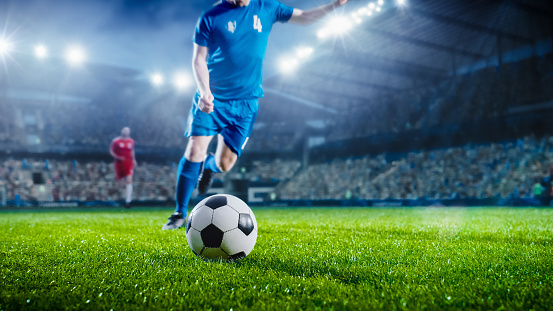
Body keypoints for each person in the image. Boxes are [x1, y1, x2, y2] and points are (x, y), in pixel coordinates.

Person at [162, 0, 350, 229]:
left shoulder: (267, 8)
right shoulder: (210, 17)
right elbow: (198, 58)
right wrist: (204, 91)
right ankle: (179, 213)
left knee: (225, 164)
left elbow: (305, 17)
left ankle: (210, 166)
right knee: (194, 150)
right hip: (212, 99)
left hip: (246, 103)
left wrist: (334, 5)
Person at [110, 127, 137, 208]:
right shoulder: (116, 141)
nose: (125, 132)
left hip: (128, 163)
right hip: (118, 163)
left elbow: (132, 150)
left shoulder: (131, 141)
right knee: (120, 183)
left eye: (127, 131)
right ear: (121, 131)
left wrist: (134, 159)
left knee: (129, 180)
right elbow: (111, 151)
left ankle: (128, 201)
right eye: (124, 130)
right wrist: (117, 157)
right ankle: (119, 199)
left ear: (129, 132)